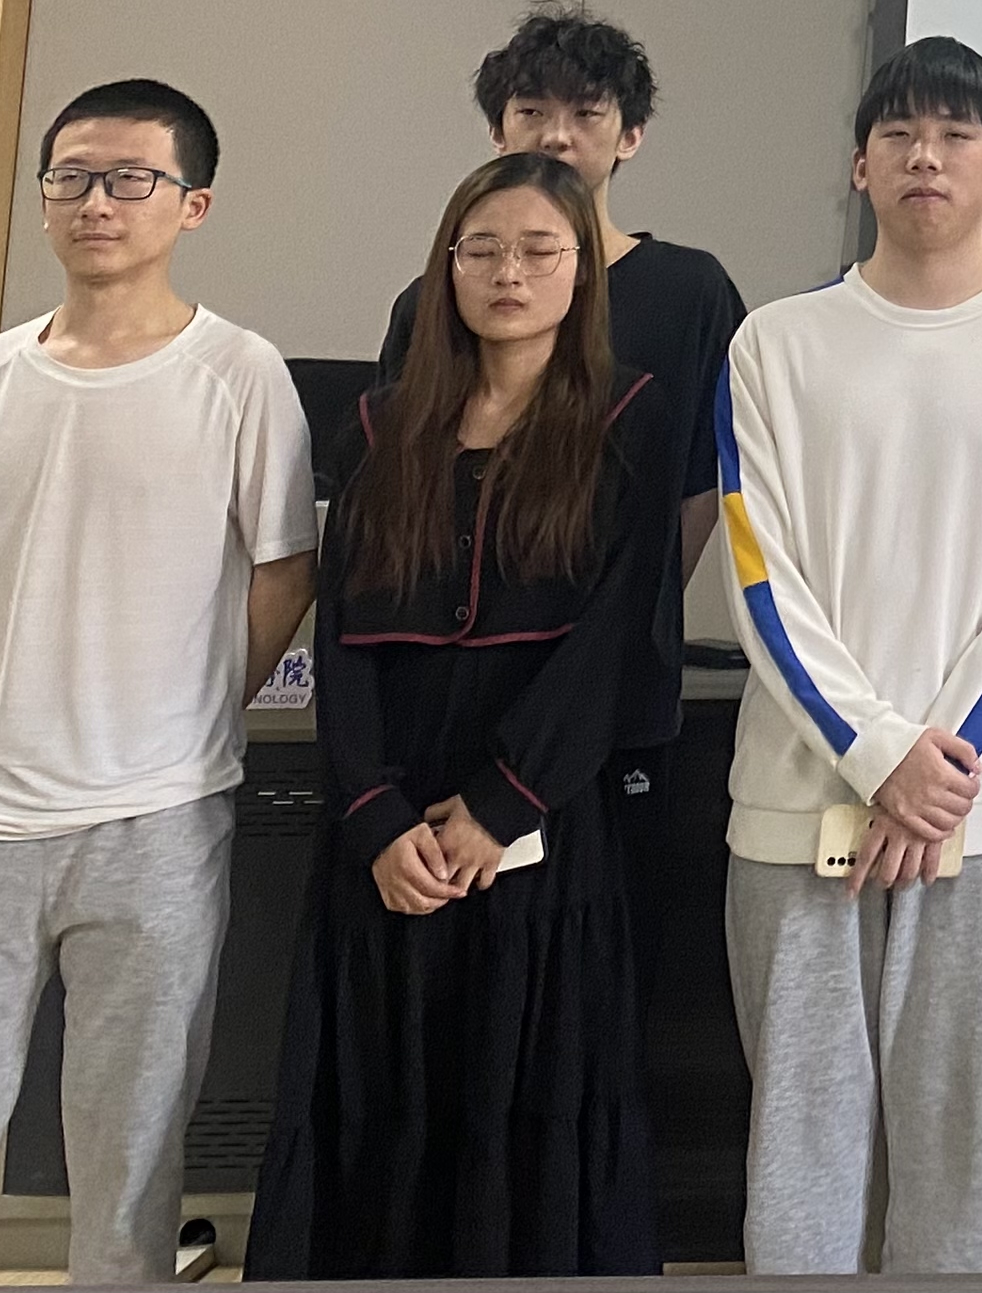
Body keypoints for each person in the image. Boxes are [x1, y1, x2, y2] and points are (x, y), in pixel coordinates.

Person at [0, 81, 316, 1288]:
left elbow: (284, 569)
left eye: (132, 178)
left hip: (156, 819)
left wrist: (195, 707)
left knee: (129, 1170)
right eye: (71, 177)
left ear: (193, 204)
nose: (97, 202)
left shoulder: (240, 372)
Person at [711, 36, 982, 1276]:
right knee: (802, 1134)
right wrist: (878, 753)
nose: (924, 158)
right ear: (860, 166)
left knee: (954, 1137)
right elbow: (759, 572)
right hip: (798, 802)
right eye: (898, 136)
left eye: (953, 136)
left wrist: (932, 770)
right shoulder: (775, 342)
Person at [250, 154, 678, 1277]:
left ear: (581, 272)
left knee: (524, 1099)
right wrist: (373, 814)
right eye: (481, 249)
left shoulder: (628, 416)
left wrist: (500, 806)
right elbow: (340, 631)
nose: (508, 273)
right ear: (447, 268)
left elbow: (614, 637)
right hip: (386, 829)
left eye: (539, 250)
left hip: (538, 819)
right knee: (381, 1099)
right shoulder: (380, 424)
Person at [375, 7, 745, 1054]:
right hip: (452, 701)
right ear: (497, 129)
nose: (557, 135)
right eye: (531, 111)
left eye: (587, 114)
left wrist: (617, 629)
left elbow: (700, 489)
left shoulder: (690, 291)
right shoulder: (434, 301)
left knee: (590, 992)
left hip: (609, 704)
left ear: (631, 135)